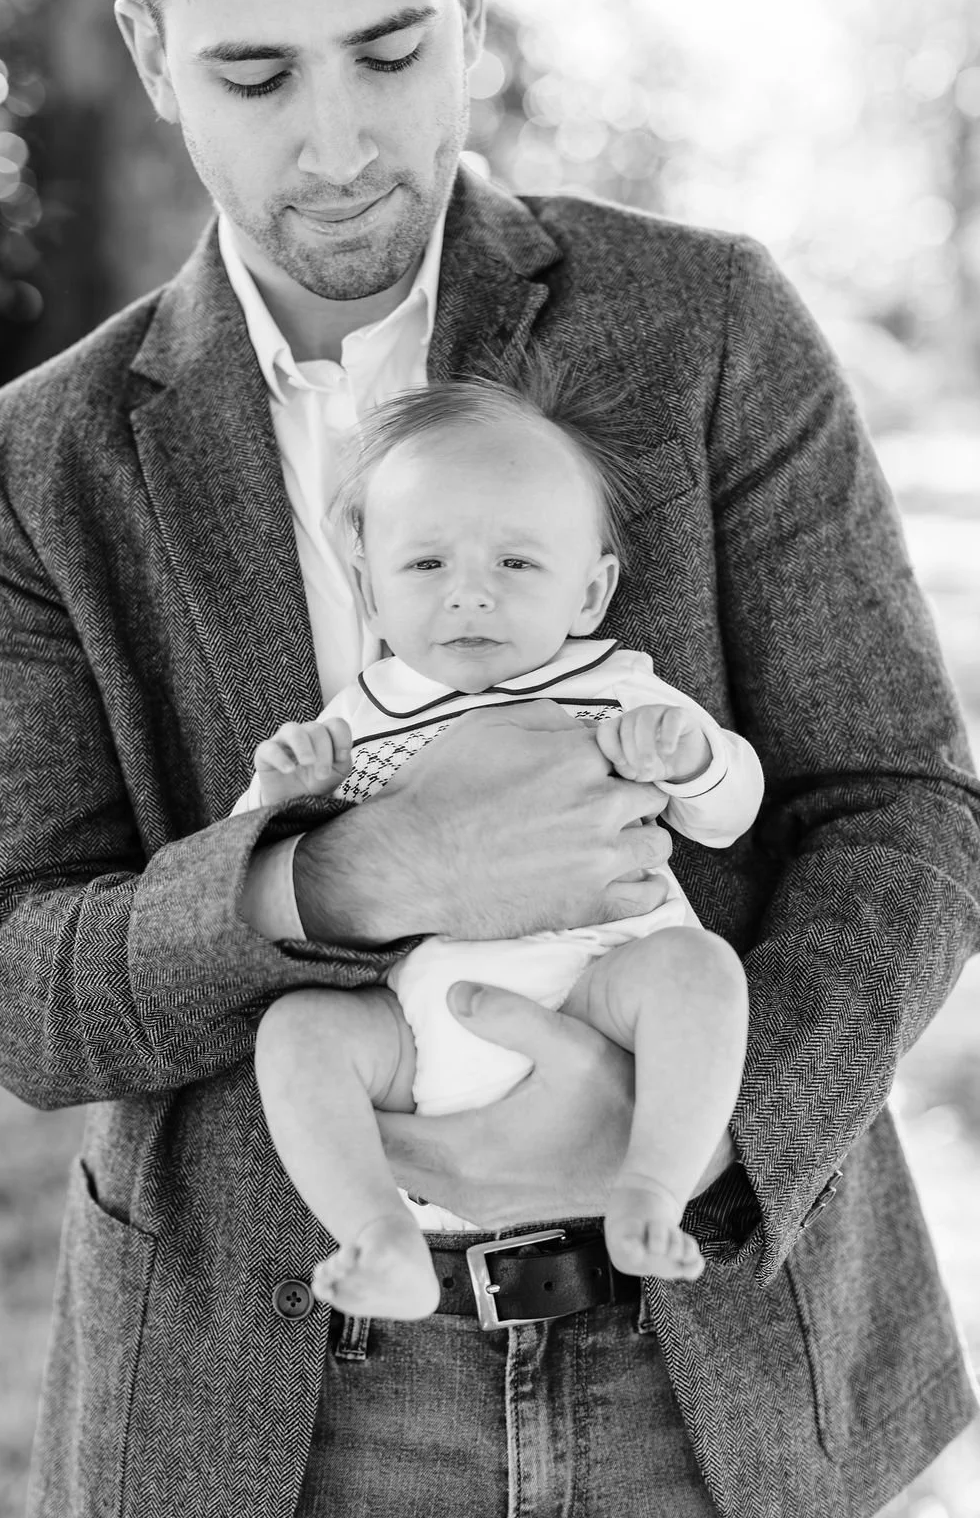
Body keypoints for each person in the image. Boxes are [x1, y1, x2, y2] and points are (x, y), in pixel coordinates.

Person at [0, 0, 977, 1514]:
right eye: (257, 74)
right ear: (154, 53)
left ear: (470, 13)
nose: (341, 141)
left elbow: (907, 810)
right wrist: (354, 874)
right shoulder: (28, 467)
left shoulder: (706, 322)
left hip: (715, 1354)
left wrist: (704, 1136)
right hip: (271, 1406)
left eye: (388, 49)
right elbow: (17, 984)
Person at [238, 374, 762, 1317]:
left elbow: (729, 813)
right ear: (368, 585)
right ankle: (378, 1234)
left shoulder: (617, 689)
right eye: (427, 567)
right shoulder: (358, 719)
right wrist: (284, 797)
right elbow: (247, 880)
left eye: (516, 566)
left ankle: (651, 1185)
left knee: (700, 973)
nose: (470, 597)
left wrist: (690, 760)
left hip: (606, 990)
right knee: (299, 1032)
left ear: (591, 589)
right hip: (410, 1025)